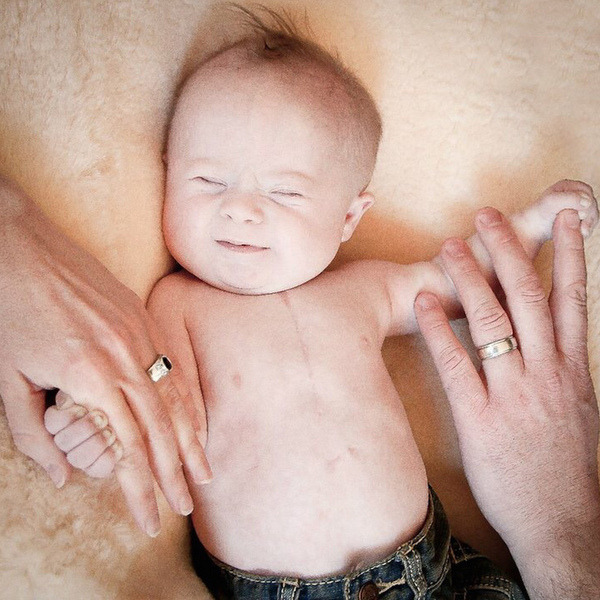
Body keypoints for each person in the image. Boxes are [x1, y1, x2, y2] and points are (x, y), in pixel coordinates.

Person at [40, 12, 600, 598]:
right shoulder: (174, 305)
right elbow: (158, 407)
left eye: (283, 192)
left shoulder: (362, 290)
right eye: (207, 181)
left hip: (435, 572)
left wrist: (533, 225)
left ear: (349, 218)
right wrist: (95, 424)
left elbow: (460, 283)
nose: (241, 209)